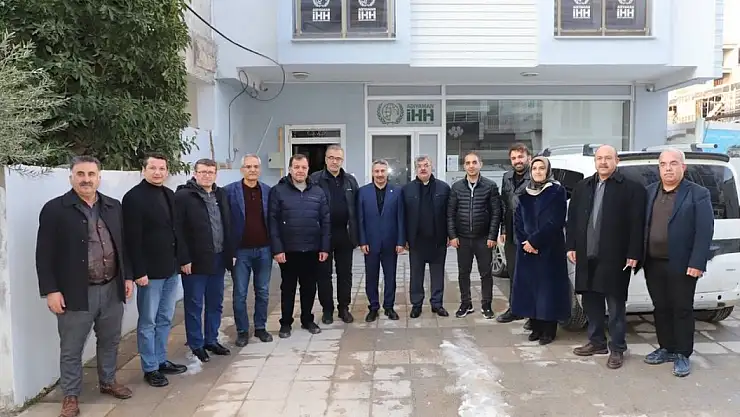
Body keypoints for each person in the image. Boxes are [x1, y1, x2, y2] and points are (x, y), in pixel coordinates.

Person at [36, 156, 134, 417]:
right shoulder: (55, 209)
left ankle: (108, 381)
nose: (86, 179)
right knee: (72, 347)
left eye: (91, 174)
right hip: (76, 293)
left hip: (111, 288)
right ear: (71, 177)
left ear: (99, 177)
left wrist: (127, 277)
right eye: (80, 174)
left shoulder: (113, 206)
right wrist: (51, 291)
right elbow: (44, 254)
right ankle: (70, 395)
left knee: (110, 340)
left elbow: (122, 245)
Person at [567, 145, 647, 369]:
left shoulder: (631, 188)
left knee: (615, 307)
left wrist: (634, 253)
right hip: (586, 255)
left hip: (615, 257)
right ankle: (596, 342)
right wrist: (571, 245)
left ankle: (617, 348)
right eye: (599, 158)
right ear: (595, 161)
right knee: (591, 303)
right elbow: (572, 218)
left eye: (608, 158)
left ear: (616, 161)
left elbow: (638, 224)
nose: (603, 162)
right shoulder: (583, 186)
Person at [642, 148, 714, 377]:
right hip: (653, 263)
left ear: (683, 167)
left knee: (681, 309)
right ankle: (666, 348)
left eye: (673, 163)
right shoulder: (650, 192)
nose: (668, 168)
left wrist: (697, 262)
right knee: (661, 307)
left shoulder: (698, 193)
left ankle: (683, 353)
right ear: (659, 168)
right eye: (663, 164)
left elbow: (704, 231)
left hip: (683, 264)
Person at [122, 153, 188, 387]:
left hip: (170, 268)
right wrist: (138, 271)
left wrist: (182, 260)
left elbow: (175, 230)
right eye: (153, 168)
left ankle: (161, 360)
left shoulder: (169, 194)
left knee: (165, 318)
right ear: (144, 170)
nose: (158, 172)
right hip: (149, 273)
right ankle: (150, 367)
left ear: (167, 171)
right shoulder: (133, 198)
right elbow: (132, 239)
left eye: (162, 168)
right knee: (148, 322)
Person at [175, 158, 233, 363]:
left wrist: (230, 253)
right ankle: (196, 344)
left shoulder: (221, 194)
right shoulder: (183, 196)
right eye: (203, 172)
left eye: (211, 172)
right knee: (194, 304)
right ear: (195, 173)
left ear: (216, 174)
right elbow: (178, 230)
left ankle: (211, 339)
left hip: (218, 258)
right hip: (195, 261)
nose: (207, 175)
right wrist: (184, 259)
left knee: (215, 302)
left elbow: (227, 224)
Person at [510, 156, 571, 345]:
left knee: (548, 291)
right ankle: (535, 326)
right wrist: (525, 242)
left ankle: (548, 330)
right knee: (531, 290)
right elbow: (518, 221)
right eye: (534, 168)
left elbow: (555, 221)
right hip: (527, 251)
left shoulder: (557, 191)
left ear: (548, 171)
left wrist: (535, 241)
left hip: (549, 250)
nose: (537, 171)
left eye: (541, 168)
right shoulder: (524, 194)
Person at [269, 154, 330, 338]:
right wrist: (277, 249)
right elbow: (272, 221)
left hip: (312, 249)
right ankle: (286, 323)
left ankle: (307, 319)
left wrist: (324, 247)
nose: (300, 171)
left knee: (309, 287)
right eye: (296, 167)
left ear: (308, 169)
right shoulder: (278, 191)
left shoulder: (318, 192)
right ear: (290, 169)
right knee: (288, 288)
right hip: (288, 250)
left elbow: (325, 221)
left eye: (303, 167)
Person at [224, 154, 274, 347]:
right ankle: (242, 331)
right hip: (241, 251)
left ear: (260, 169)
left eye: (255, 166)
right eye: (248, 166)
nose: (252, 170)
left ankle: (260, 327)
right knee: (240, 293)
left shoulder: (268, 191)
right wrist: (229, 251)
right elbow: (226, 222)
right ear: (242, 169)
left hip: (264, 250)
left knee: (263, 291)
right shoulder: (229, 192)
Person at [447, 152, 501, 319]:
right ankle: (466, 304)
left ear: (480, 164)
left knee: (486, 273)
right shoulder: (457, 187)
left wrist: (492, 236)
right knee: (463, 273)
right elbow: (450, 213)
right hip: (462, 238)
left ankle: (486, 305)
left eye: (474, 162)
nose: (471, 166)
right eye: (468, 163)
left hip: (483, 238)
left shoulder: (490, 186)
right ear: (464, 166)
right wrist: (452, 236)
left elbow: (496, 213)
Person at [310, 145, 360, 324]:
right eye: (331, 158)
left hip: (345, 235)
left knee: (345, 274)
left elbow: (357, 208)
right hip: (323, 236)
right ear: (325, 159)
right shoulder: (314, 180)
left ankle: (343, 308)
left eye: (338, 158)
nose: (334, 161)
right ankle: (327, 310)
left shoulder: (350, 181)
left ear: (342, 160)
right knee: (324, 274)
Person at [357, 159, 405, 322]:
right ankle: (373, 307)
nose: (379, 174)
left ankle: (389, 307)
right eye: (376, 171)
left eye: (382, 171)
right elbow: (360, 219)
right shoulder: (363, 192)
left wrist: (400, 241)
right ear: (372, 173)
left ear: (387, 173)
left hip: (391, 243)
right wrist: (362, 241)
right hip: (370, 243)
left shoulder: (397, 192)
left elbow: (400, 218)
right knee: (371, 277)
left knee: (390, 276)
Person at [403, 155, 450, 318]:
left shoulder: (444, 188)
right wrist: (404, 238)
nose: (423, 168)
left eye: (426, 165)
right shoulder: (407, 189)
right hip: (416, 241)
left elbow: (449, 214)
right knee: (416, 275)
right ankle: (416, 304)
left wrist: (450, 234)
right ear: (415, 169)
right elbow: (402, 216)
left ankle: (437, 304)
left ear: (432, 167)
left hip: (438, 240)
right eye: (419, 166)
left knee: (438, 274)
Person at [497, 143, 532, 328]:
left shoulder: (535, 175)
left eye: (520, 157)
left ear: (528, 158)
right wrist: (503, 230)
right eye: (514, 158)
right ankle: (515, 309)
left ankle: (532, 314)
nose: (517, 161)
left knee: (530, 275)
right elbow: (504, 205)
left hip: (529, 233)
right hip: (511, 234)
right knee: (514, 273)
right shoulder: (507, 177)